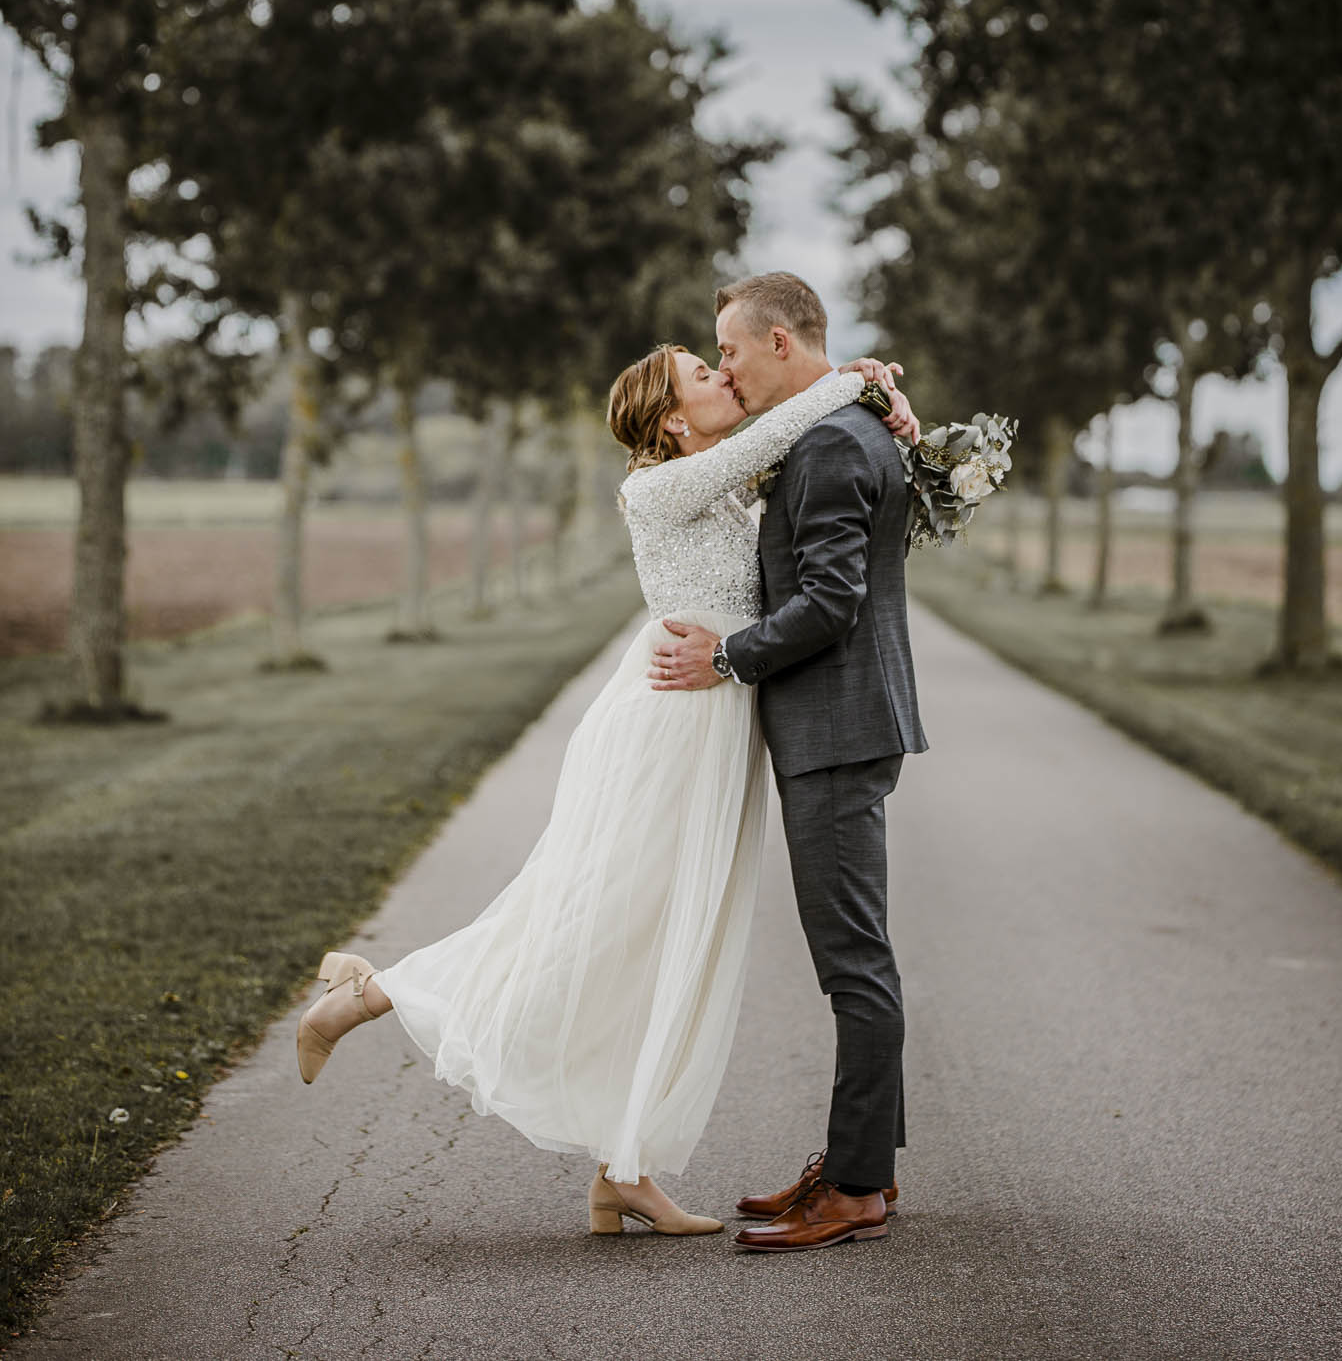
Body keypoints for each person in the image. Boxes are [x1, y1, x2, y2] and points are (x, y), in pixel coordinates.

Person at [294, 327, 915, 1240]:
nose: (723, 375)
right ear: (672, 419)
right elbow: (781, 432)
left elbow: (809, 482)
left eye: (722, 359)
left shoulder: (720, 485)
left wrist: (884, 408)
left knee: (661, 942)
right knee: (591, 916)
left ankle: (624, 1171)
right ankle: (372, 994)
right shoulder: (660, 486)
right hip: (673, 726)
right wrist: (856, 379)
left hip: (717, 723)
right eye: (704, 372)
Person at [650, 271, 928, 1253]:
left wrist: (726, 657)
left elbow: (830, 601)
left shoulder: (830, 445)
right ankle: (864, 1166)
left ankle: (853, 1189)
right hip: (840, 726)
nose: (723, 368)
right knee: (855, 956)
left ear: (779, 343)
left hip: (837, 730)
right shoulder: (838, 428)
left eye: (728, 350)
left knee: (853, 962)